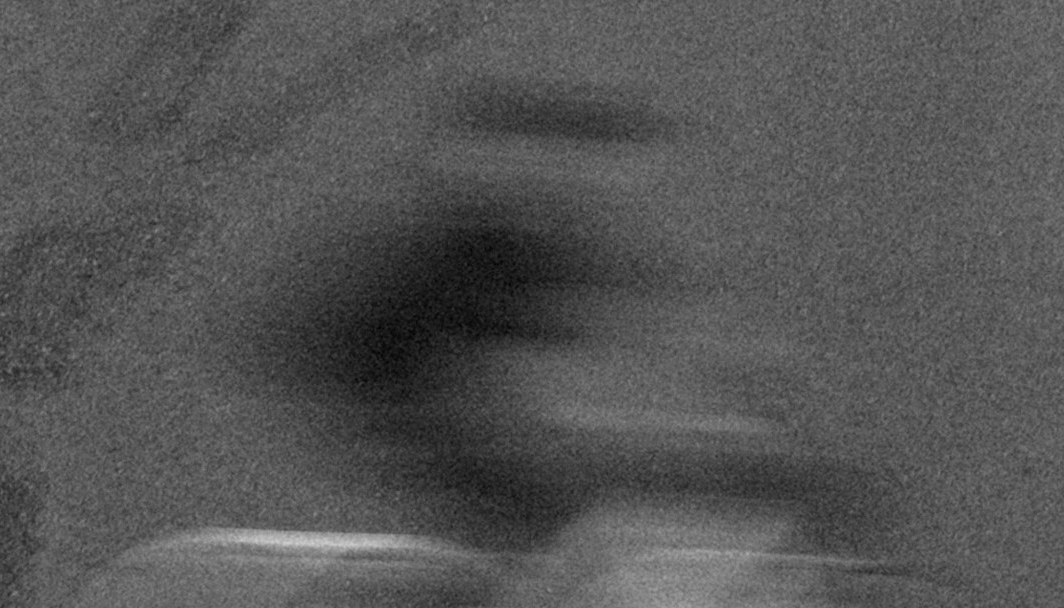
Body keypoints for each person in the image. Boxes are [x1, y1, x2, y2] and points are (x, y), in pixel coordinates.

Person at [248, 93, 734, 564]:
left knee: (569, 498)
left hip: (443, 413)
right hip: (428, 409)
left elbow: (618, 334)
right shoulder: (468, 255)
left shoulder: (532, 249)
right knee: (550, 502)